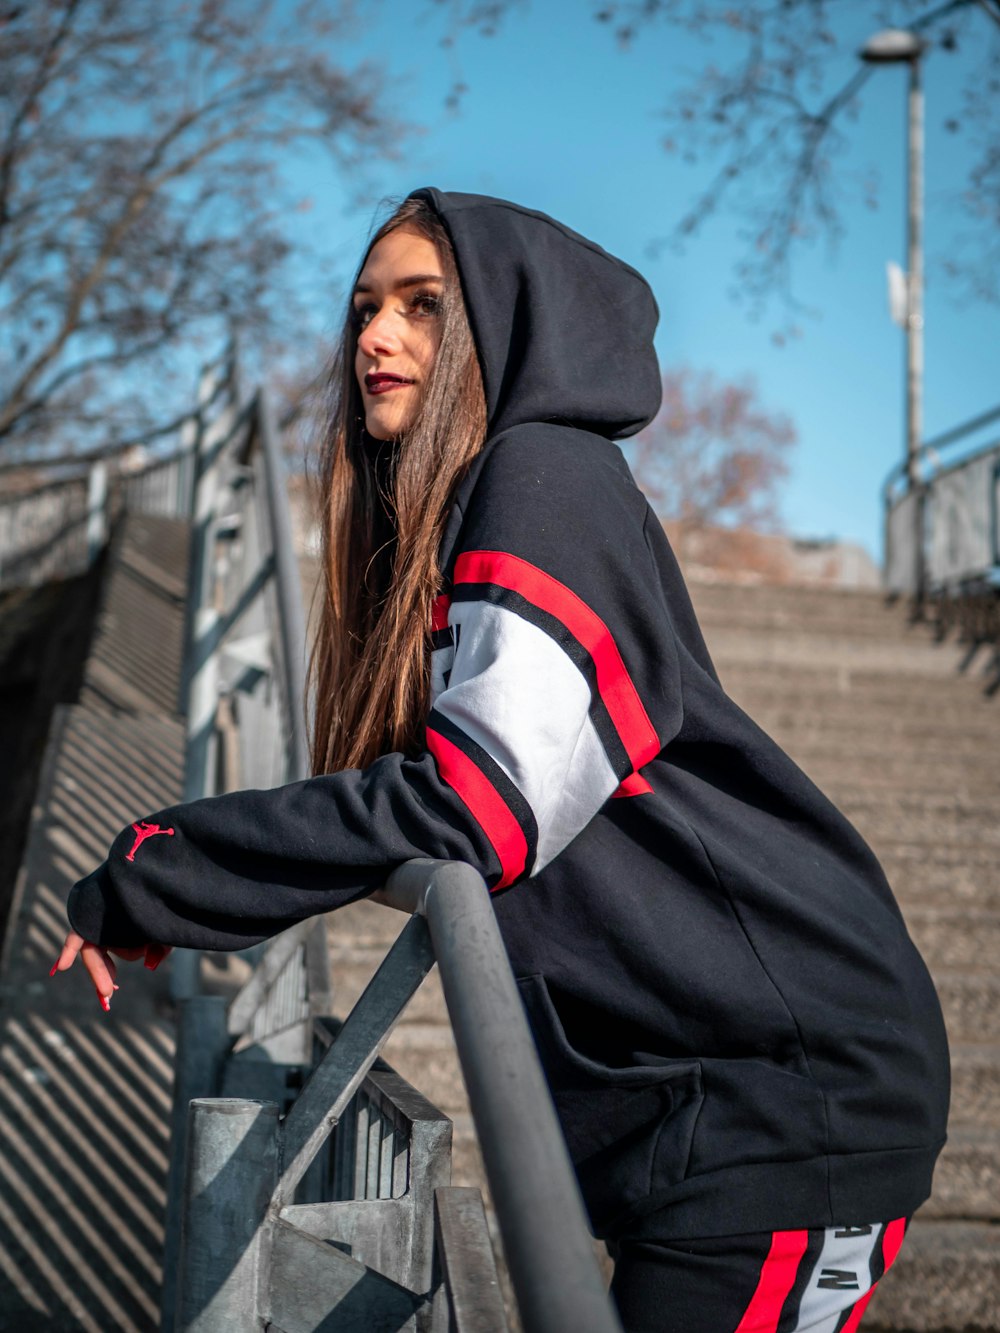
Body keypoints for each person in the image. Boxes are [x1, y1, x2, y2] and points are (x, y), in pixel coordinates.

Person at [53, 188, 950, 1331]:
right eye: (366, 309)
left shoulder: (546, 478)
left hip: (781, 1095)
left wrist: (169, 863)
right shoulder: (477, 508)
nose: (373, 337)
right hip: (692, 1101)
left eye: (422, 309)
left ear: (501, 332)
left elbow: (478, 802)